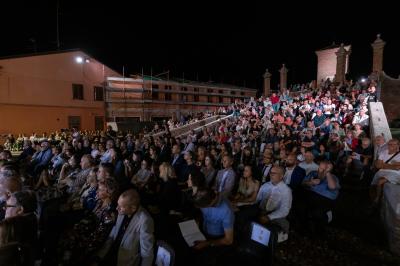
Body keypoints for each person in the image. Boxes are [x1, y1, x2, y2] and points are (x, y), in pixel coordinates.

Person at [96, 189, 154, 266]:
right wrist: (100, 256)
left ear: (133, 208)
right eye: (118, 205)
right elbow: (113, 234)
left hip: (124, 260)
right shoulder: (122, 211)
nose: (117, 208)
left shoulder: (145, 220)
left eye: (121, 206)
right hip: (110, 252)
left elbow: (147, 252)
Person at [370, 139, 400, 204]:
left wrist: (383, 164)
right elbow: (378, 165)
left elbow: (397, 168)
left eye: (394, 144)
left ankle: (377, 198)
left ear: (398, 145)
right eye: (389, 144)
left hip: (395, 173)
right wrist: (392, 165)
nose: (391, 146)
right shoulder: (383, 152)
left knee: (381, 181)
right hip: (381, 171)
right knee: (373, 185)